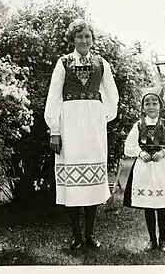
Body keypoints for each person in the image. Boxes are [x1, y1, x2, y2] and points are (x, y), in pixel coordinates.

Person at [44, 18, 119, 251]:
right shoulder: (63, 63)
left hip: (93, 126)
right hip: (70, 124)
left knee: (92, 180)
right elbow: (54, 97)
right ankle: (76, 235)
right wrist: (55, 131)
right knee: (72, 179)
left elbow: (112, 94)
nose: (84, 40)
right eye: (79, 37)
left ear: (92, 39)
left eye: (87, 36)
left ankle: (90, 234)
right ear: (73, 39)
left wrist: (101, 115)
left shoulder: (101, 62)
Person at [123, 87, 165, 252]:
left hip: (162, 168)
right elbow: (128, 146)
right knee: (149, 205)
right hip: (144, 168)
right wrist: (139, 152)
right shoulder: (138, 125)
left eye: (154, 103)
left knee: (162, 205)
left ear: (160, 106)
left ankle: (163, 239)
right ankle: (152, 240)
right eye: (147, 103)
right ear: (142, 107)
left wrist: (164, 152)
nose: (151, 106)